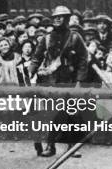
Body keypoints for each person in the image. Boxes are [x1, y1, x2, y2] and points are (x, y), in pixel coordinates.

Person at [29, 6, 88, 158]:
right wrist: (30, 73)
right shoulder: (47, 38)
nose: (57, 19)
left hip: (70, 81)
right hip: (50, 81)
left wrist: (79, 81)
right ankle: (50, 145)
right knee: (52, 114)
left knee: (71, 114)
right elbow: (36, 58)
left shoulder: (75, 37)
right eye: (55, 16)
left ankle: (71, 146)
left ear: (67, 19)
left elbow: (83, 59)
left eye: (61, 17)